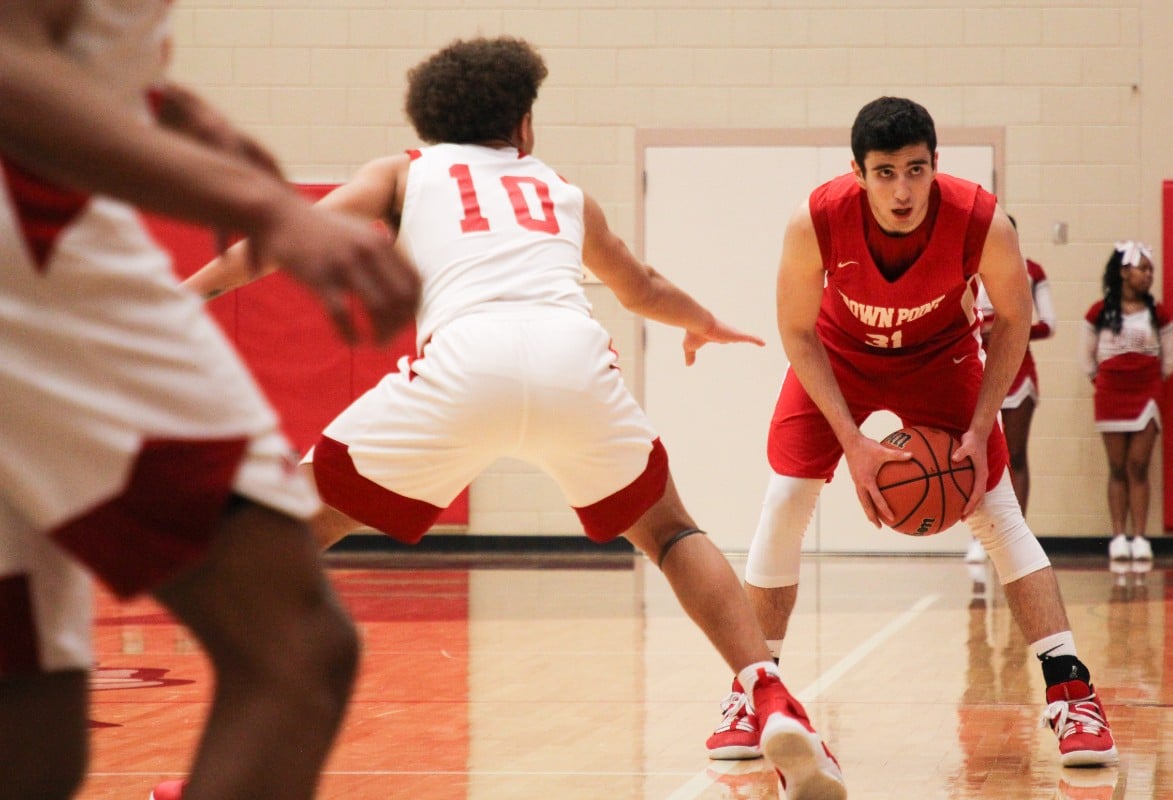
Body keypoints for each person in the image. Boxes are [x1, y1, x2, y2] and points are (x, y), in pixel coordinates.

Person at [178, 36, 847, 800]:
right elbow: (640, 284)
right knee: (669, 532)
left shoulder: (404, 172)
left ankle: (233, 768)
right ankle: (767, 692)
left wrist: (183, 297)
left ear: (432, 119)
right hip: (573, 360)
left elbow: (281, 240)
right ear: (523, 123)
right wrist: (701, 321)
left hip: (464, 363)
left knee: (284, 534)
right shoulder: (562, 191)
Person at [0, 3, 422, 799]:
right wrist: (266, 205)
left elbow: (62, 42)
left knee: (31, 727)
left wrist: (169, 107)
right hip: (35, 252)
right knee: (293, 649)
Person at [704, 97, 1118, 773]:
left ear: (935, 165)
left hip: (941, 357)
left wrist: (981, 425)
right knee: (785, 499)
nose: (903, 190)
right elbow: (797, 331)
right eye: (886, 172)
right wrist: (852, 443)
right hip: (838, 355)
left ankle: (1072, 694)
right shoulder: (815, 221)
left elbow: (1014, 321)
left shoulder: (981, 221)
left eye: (916, 170)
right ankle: (753, 692)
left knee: (997, 510)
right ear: (858, 173)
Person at [965, 216, 1056, 563]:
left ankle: (1017, 534)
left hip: (1018, 370)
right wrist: (984, 330)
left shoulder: (1031, 271)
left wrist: (1008, 329)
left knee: (1015, 455)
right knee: (977, 452)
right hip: (976, 370)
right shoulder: (968, 268)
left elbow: (1048, 324)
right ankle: (980, 536)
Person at [1082, 241, 1173, 562]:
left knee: (1139, 465)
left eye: (1151, 270)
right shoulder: (1098, 312)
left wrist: (1148, 382)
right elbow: (1087, 359)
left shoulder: (1158, 313)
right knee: (1117, 467)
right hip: (1111, 395)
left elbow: (1169, 362)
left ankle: (1140, 537)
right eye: (1143, 269)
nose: (1149, 275)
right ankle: (1118, 536)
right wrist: (1105, 382)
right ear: (1124, 272)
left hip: (1146, 394)